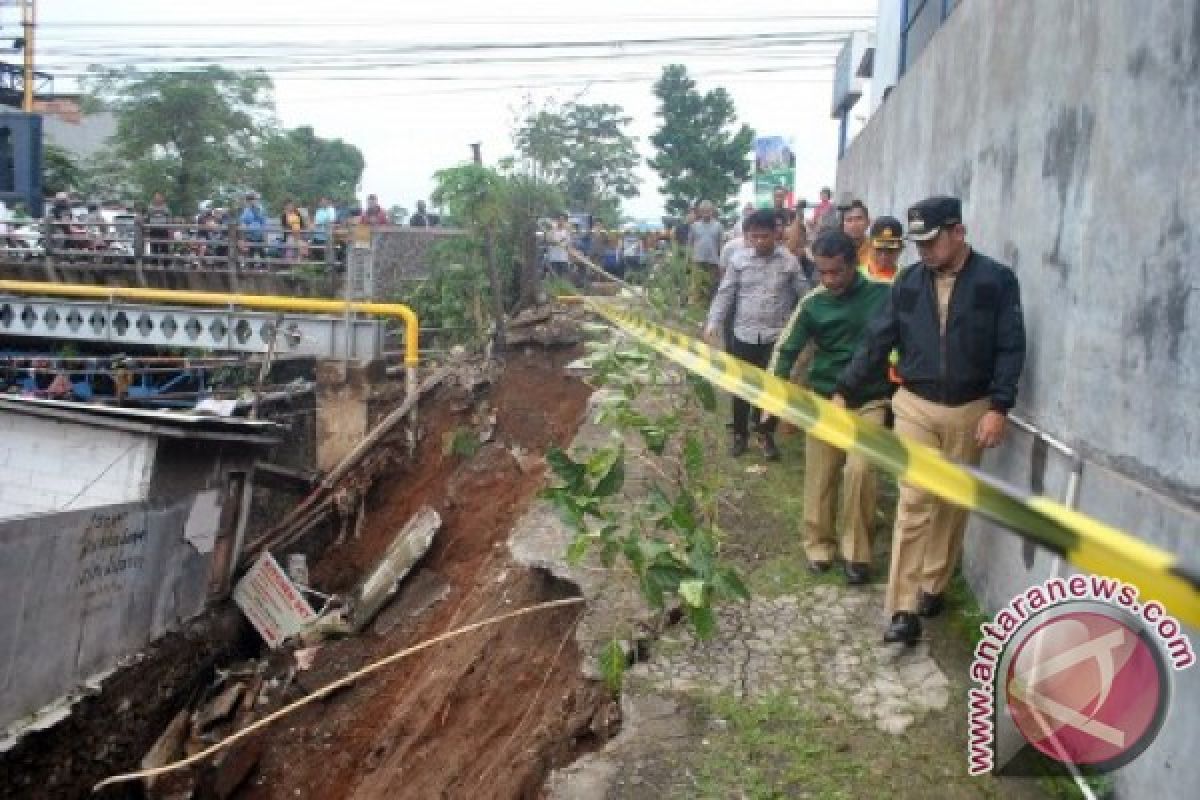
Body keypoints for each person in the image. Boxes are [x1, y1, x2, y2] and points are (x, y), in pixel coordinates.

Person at [834, 196, 1026, 645]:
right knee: (914, 501)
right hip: (915, 406)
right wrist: (844, 388)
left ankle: (932, 585)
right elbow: (877, 339)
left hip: (970, 410)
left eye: (930, 241)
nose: (922, 252)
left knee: (951, 501)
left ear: (957, 232)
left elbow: (1011, 346)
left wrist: (999, 407)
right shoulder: (908, 283)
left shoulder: (995, 281)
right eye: (916, 243)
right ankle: (903, 609)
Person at [769, 230, 893, 585]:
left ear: (854, 263)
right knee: (820, 475)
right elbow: (788, 349)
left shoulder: (883, 296)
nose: (828, 280)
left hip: (869, 400)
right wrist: (772, 396)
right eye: (821, 272)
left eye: (835, 272)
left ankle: (857, 554)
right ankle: (819, 546)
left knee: (861, 471)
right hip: (822, 401)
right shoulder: (813, 303)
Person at [704, 209, 810, 459]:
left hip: (776, 337)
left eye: (765, 236)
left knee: (771, 389)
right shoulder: (738, 261)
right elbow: (725, 294)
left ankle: (765, 434)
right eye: (754, 237)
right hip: (743, 334)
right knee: (741, 387)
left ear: (776, 234)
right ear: (747, 236)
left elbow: (806, 296)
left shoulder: (789, 263)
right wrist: (713, 322)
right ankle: (740, 434)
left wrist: (806, 329)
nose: (760, 242)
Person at [688, 200, 723, 304]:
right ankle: (694, 306)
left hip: (713, 261)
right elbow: (690, 244)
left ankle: (709, 306)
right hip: (697, 260)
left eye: (708, 210)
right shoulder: (694, 226)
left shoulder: (718, 226)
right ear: (700, 212)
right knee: (696, 285)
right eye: (703, 211)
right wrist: (689, 259)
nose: (706, 213)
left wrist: (721, 261)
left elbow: (721, 245)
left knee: (711, 285)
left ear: (712, 211)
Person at [863, 216, 904, 281]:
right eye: (878, 249)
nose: (884, 256)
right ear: (869, 246)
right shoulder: (857, 276)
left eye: (890, 250)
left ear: (900, 249)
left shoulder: (907, 277)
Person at [239, 192, 267, 268]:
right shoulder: (246, 211)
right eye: (255, 199)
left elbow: (264, 224)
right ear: (250, 201)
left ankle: (264, 270)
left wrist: (265, 238)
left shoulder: (261, 210)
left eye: (257, 199)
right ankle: (250, 271)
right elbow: (243, 224)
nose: (257, 201)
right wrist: (243, 239)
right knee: (250, 255)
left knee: (262, 254)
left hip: (259, 235)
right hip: (250, 236)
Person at [842, 199, 871, 267]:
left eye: (859, 219)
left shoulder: (877, 249)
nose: (854, 224)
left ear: (868, 222)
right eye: (849, 220)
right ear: (843, 225)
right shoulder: (837, 249)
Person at [145, 192, 171, 266]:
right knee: (154, 246)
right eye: (156, 197)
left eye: (159, 197)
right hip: (153, 229)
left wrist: (169, 227)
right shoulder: (150, 207)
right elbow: (147, 217)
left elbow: (168, 217)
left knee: (164, 247)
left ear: (162, 198)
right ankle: (154, 263)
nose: (158, 199)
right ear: (154, 198)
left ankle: (166, 263)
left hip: (163, 229)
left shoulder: (166, 207)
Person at [546, 213, 570, 278]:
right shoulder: (551, 231)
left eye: (562, 220)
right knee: (553, 278)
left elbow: (568, 244)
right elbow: (548, 240)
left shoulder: (567, 232)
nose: (561, 221)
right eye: (559, 220)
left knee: (563, 278)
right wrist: (557, 242)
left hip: (563, 259)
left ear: (565, 221)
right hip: (553, 258)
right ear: (556, 220)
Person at [312, 197, 336, 261]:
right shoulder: (319, 211)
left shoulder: (331, 209)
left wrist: (321, 222)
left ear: (327, 201)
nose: (323, 203)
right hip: (317, 235)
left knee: (327, 252)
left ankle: (329, 267)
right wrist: (323, 221)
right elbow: (316, 221)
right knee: (317, 251)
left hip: (327, 236)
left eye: (324, 201)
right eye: (321, 201)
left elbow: (331, 220)